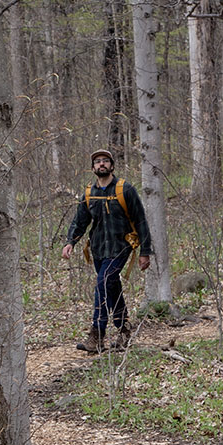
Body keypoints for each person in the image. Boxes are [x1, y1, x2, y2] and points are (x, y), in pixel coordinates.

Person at [62, 149, 152, 353]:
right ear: (93, 168)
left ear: (112, 166)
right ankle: (124, 331)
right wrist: (70, 242)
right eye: (97, 162)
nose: (101, 164)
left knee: (103, 283)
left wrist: (145, 251)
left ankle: (97, 334)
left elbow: (140, 221)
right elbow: (80, 221)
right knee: (111, 286)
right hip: (98, 249)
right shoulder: (89, 192)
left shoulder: (125, 189)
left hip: (121, 247)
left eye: (105, 161)